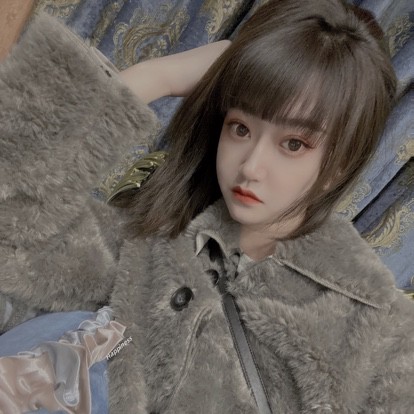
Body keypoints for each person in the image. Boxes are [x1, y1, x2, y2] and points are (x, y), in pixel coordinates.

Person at [0, 0, 413, 413]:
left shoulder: (380, 332)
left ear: (338, 165)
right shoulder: (148, 238)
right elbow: (12, 215)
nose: (250, 167)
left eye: (293, 144)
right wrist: (156, 77)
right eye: (241, 128)